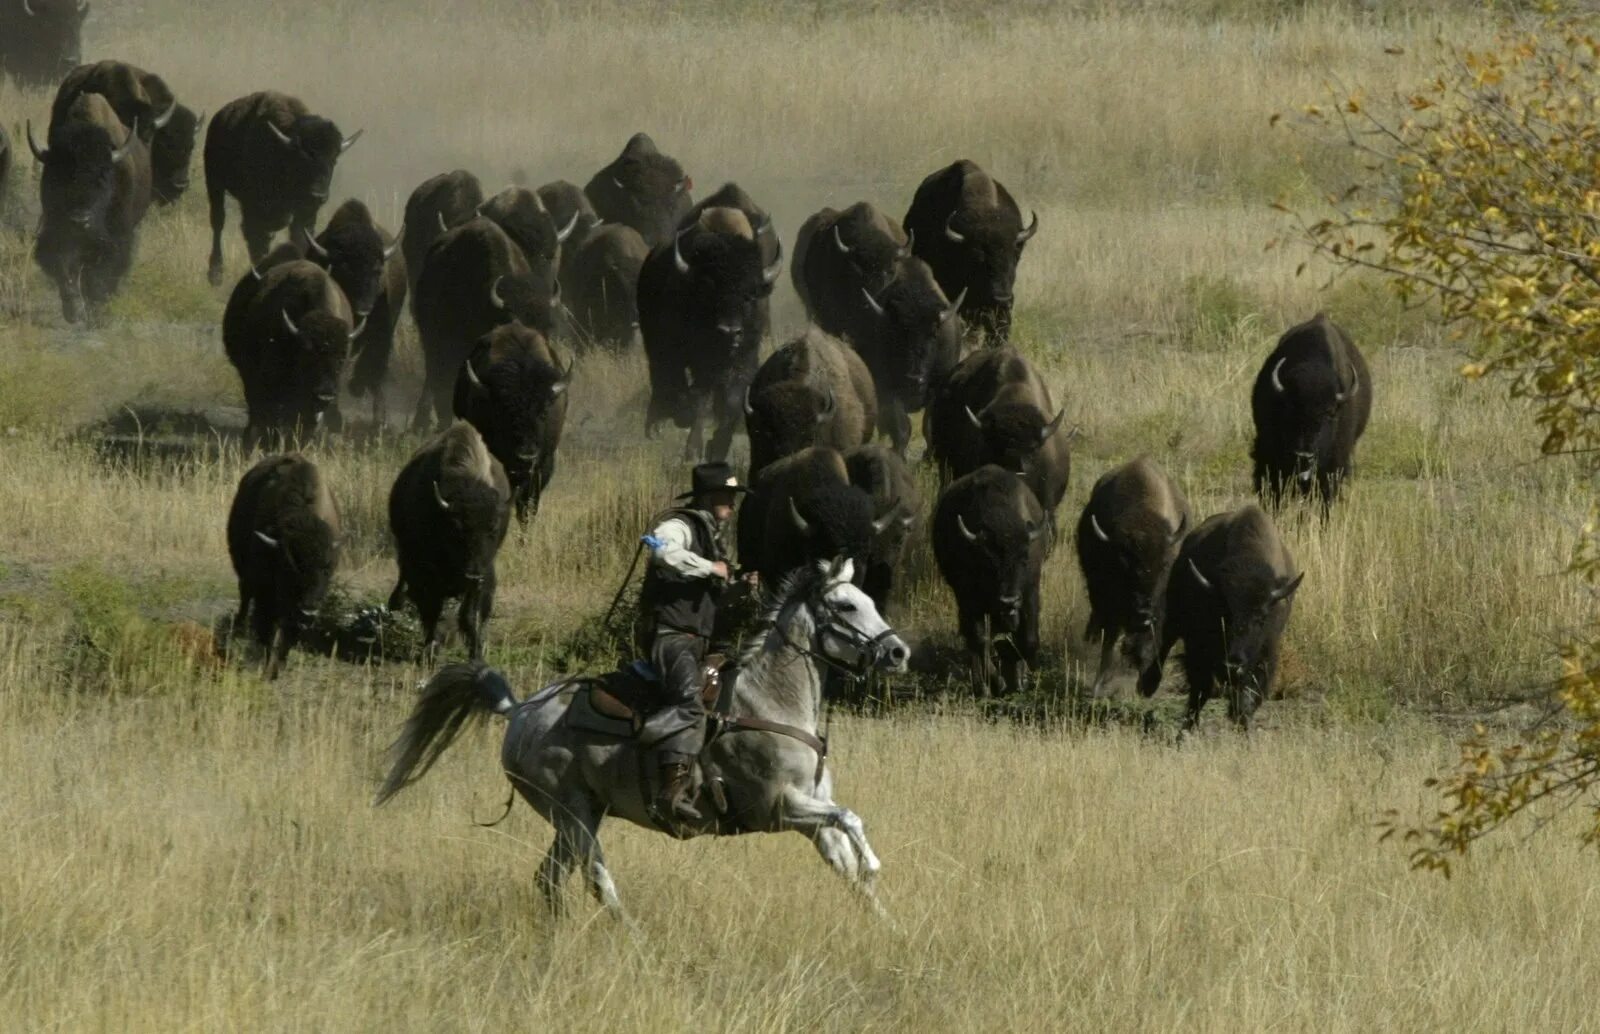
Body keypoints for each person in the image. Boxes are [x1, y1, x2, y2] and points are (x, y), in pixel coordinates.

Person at [637, 461, 743, 827]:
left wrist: (739, 588)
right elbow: (662, 551)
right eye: (727, 496)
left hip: (698, 640)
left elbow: (707, 600)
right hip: (670, 637)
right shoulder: (678, 525)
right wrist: (711, 568)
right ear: (709, 497)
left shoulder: (713, 536)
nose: (732, 504)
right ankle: (671, 791)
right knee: (690, 703)